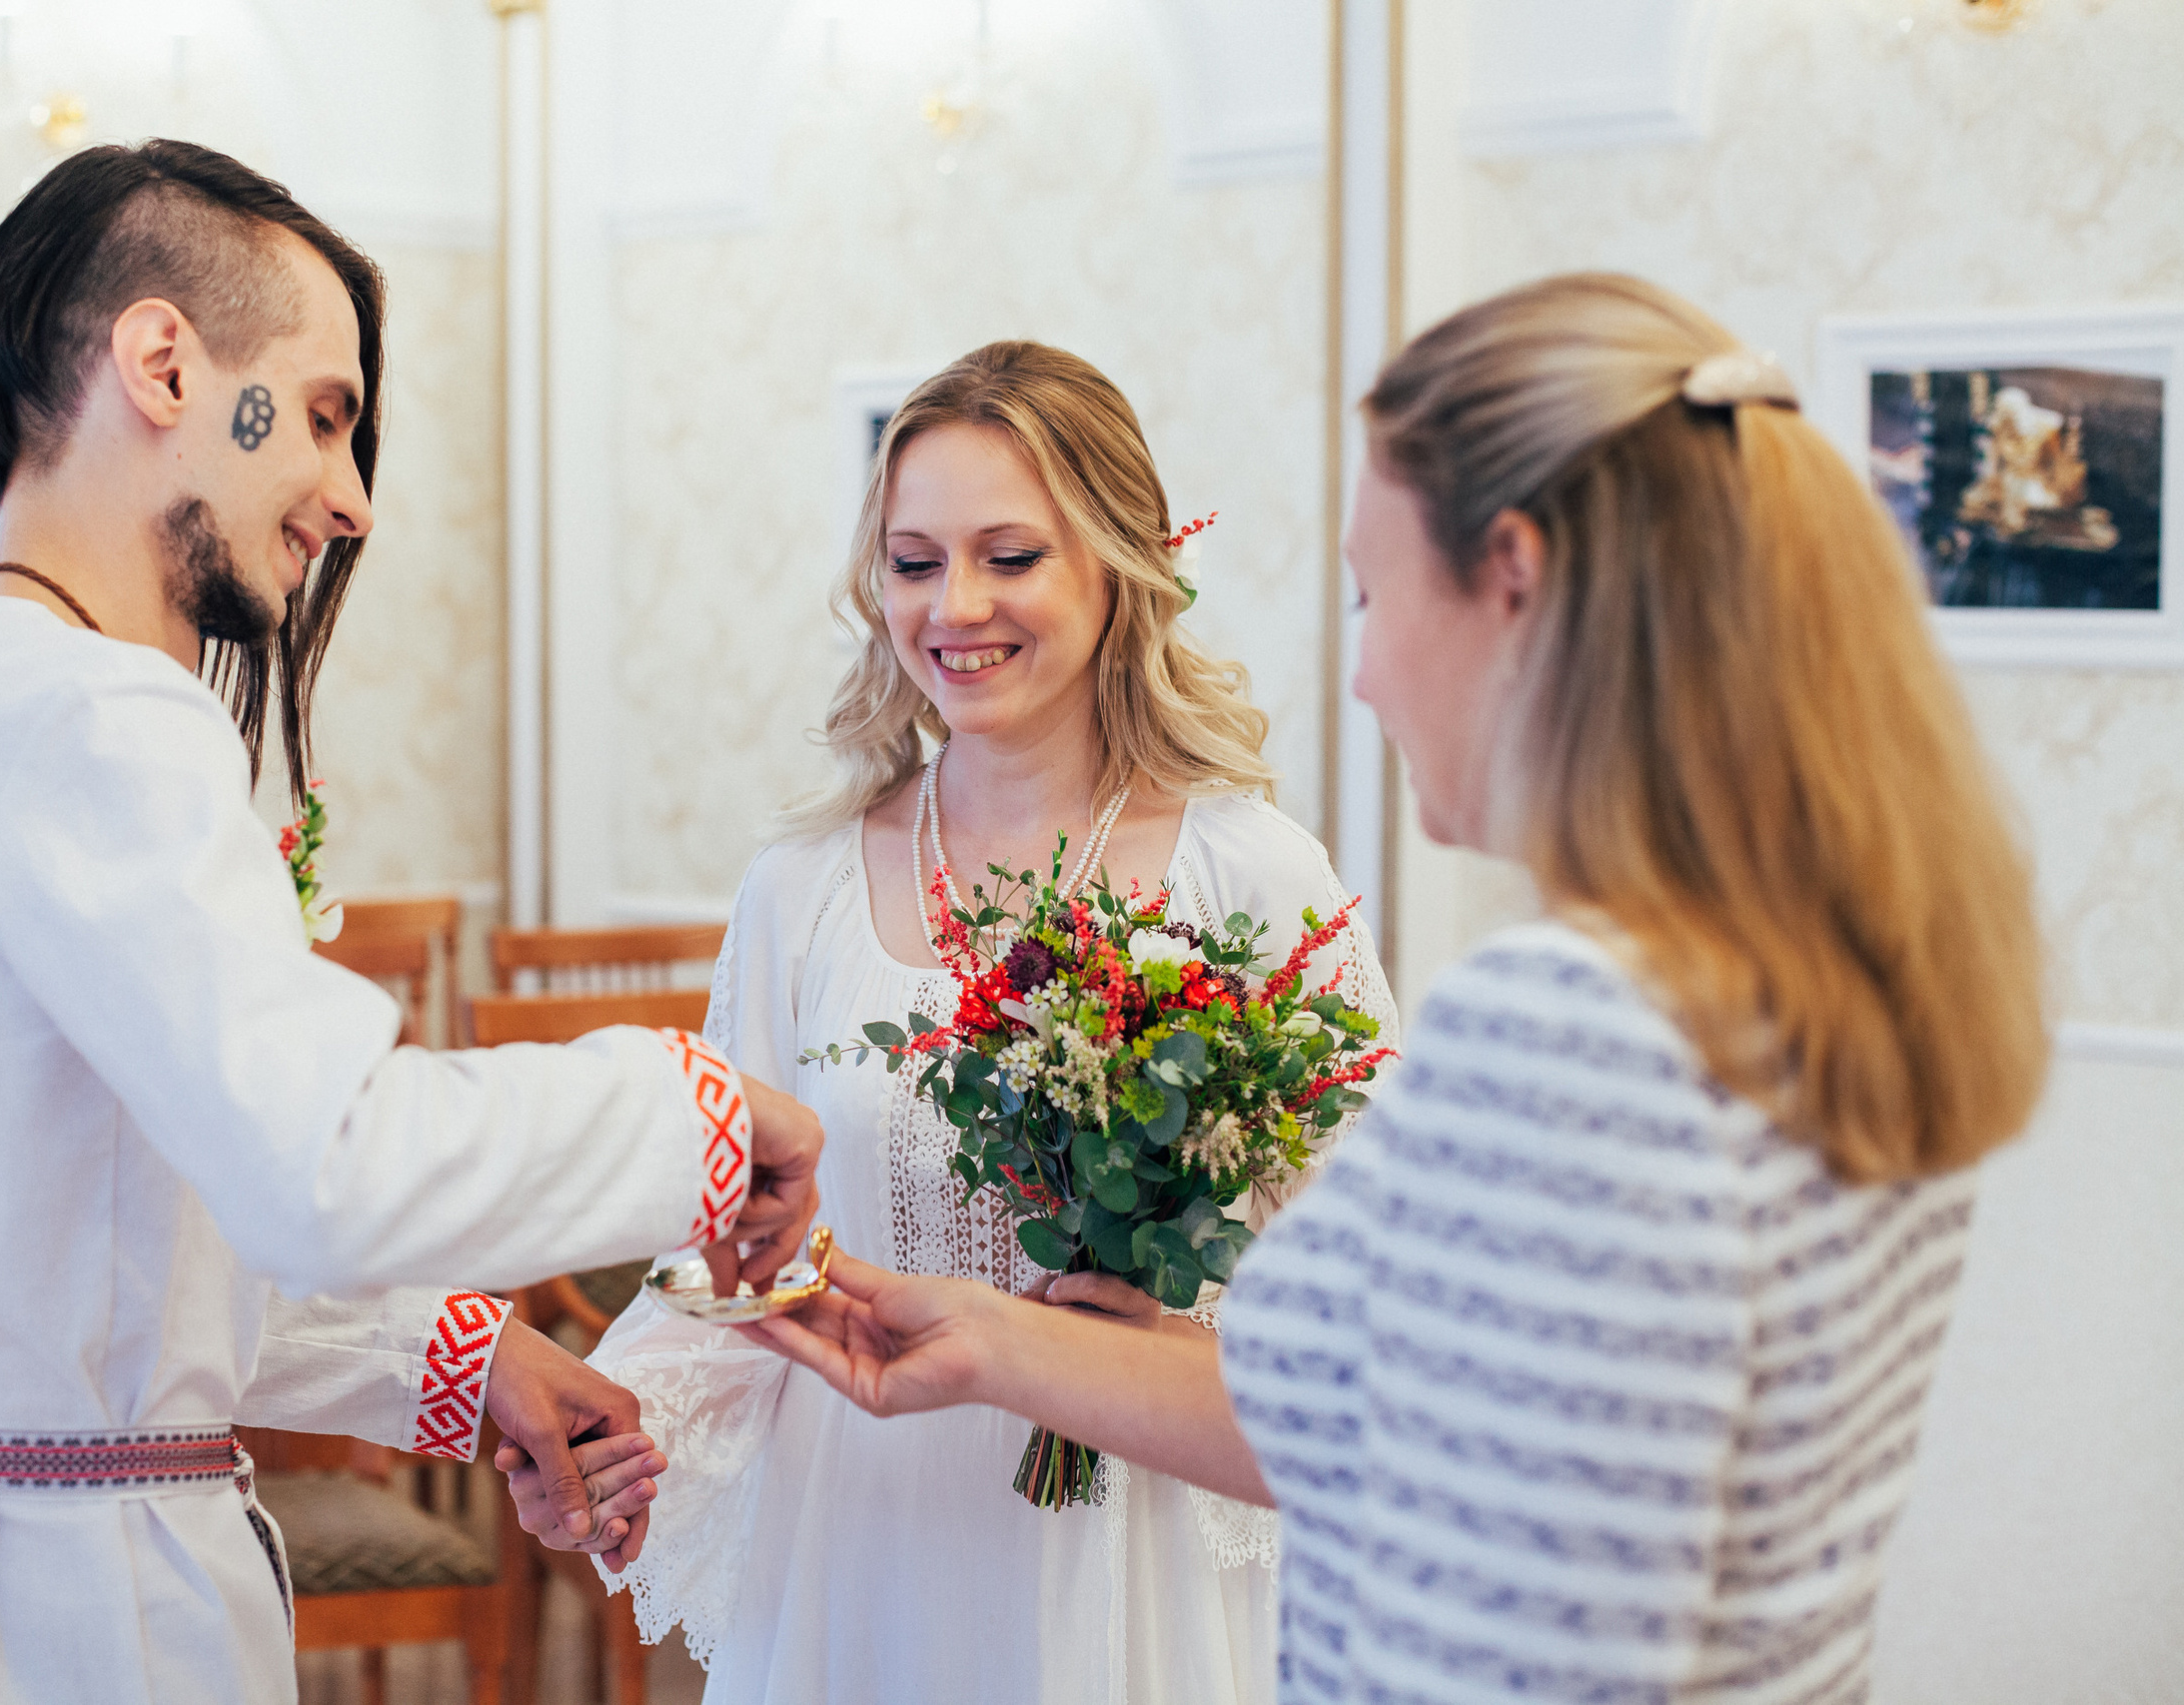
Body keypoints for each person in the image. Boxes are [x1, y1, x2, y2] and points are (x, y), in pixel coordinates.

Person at [752, 274, 2048, 1704]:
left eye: (1375, 594)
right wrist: (997, 1338)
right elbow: (1379, 1421)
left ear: (1513, 576)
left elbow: (1519, 1641)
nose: (1361, 674)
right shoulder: (1833, 986)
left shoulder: (1570, 1028)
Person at [0, 140, 823, 1705]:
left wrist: (471, 1365)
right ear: (165, 363)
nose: (351, 499)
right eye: (322, 415)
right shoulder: (97, 718)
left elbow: (94, 1276)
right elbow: (327, 1162)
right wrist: (700, 1111)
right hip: (66, 1629)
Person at [550, 341, 1398, 1704]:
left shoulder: (1253, 879)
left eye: (1011, 557)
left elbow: (1367, 1281)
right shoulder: (801, 892)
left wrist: (1143, 1325)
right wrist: (626, 1429)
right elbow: (729, 1259)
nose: (956, 605)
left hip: (1141, 1554)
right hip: (866, 1550)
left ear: (1118, 567)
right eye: (913, 560)